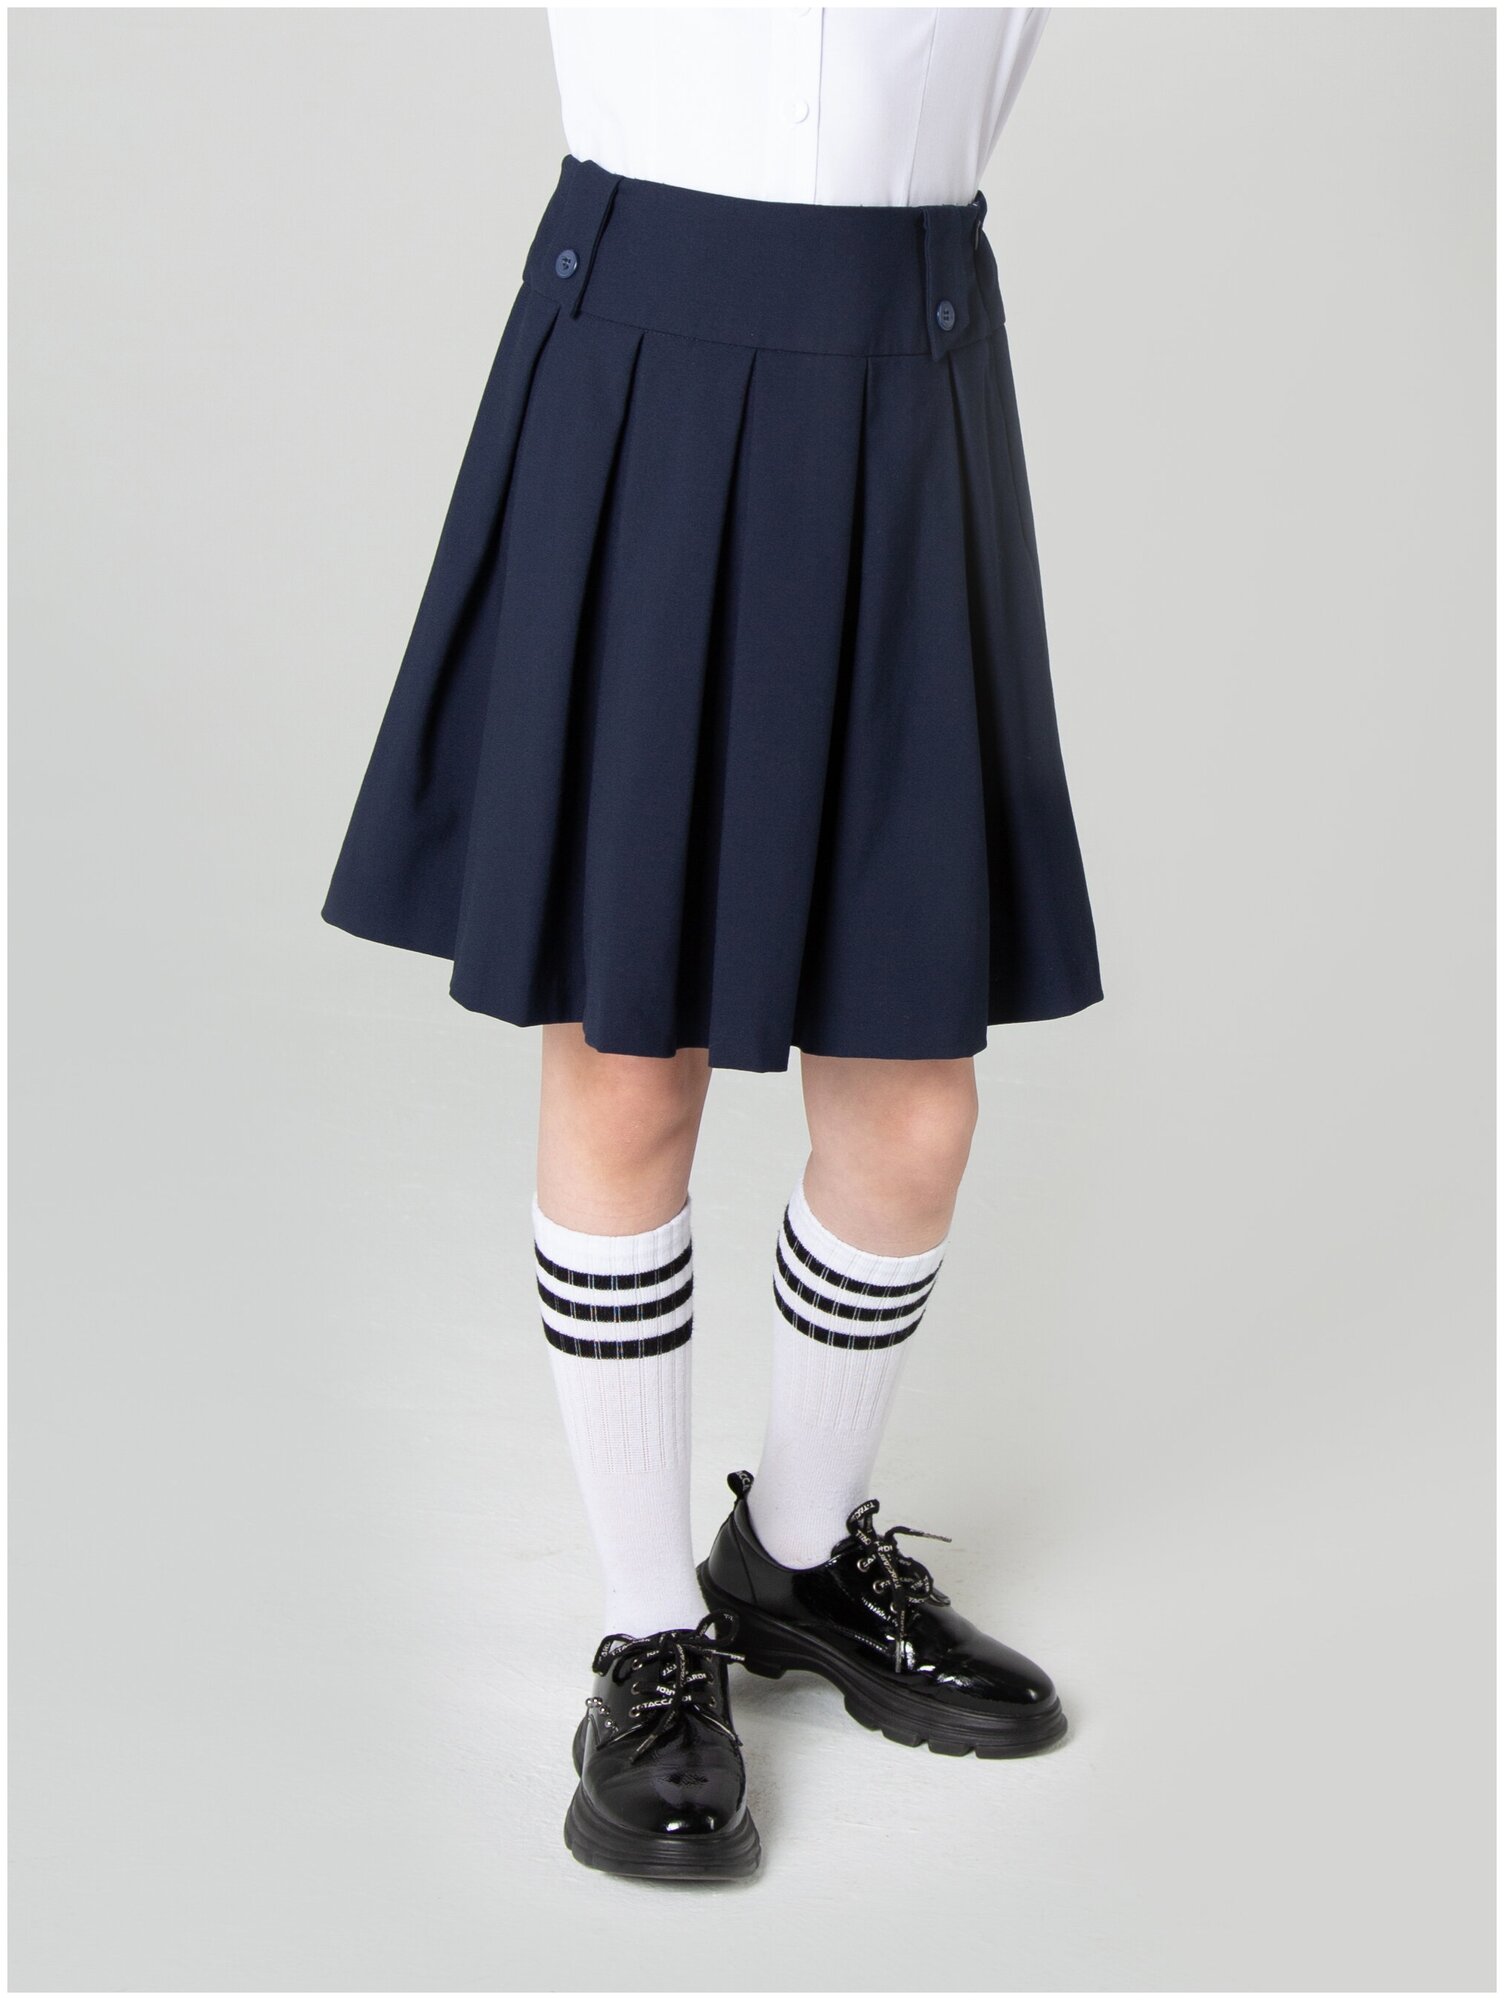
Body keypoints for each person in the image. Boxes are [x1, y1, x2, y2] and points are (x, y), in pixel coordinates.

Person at [322, 4, 1101, 1883]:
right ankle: (648, 1635)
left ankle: (799, 1560)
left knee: (913, 1099)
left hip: (912, 381)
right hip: (647, 378)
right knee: (626, 1061)